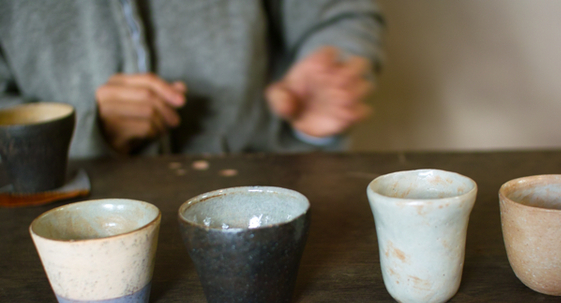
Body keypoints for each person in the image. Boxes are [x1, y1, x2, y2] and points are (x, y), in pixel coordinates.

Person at [0, 0, 384, 158]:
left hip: (263, 177)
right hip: (54, 211)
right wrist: (87, 131)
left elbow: (340, 14)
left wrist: (332, 67)